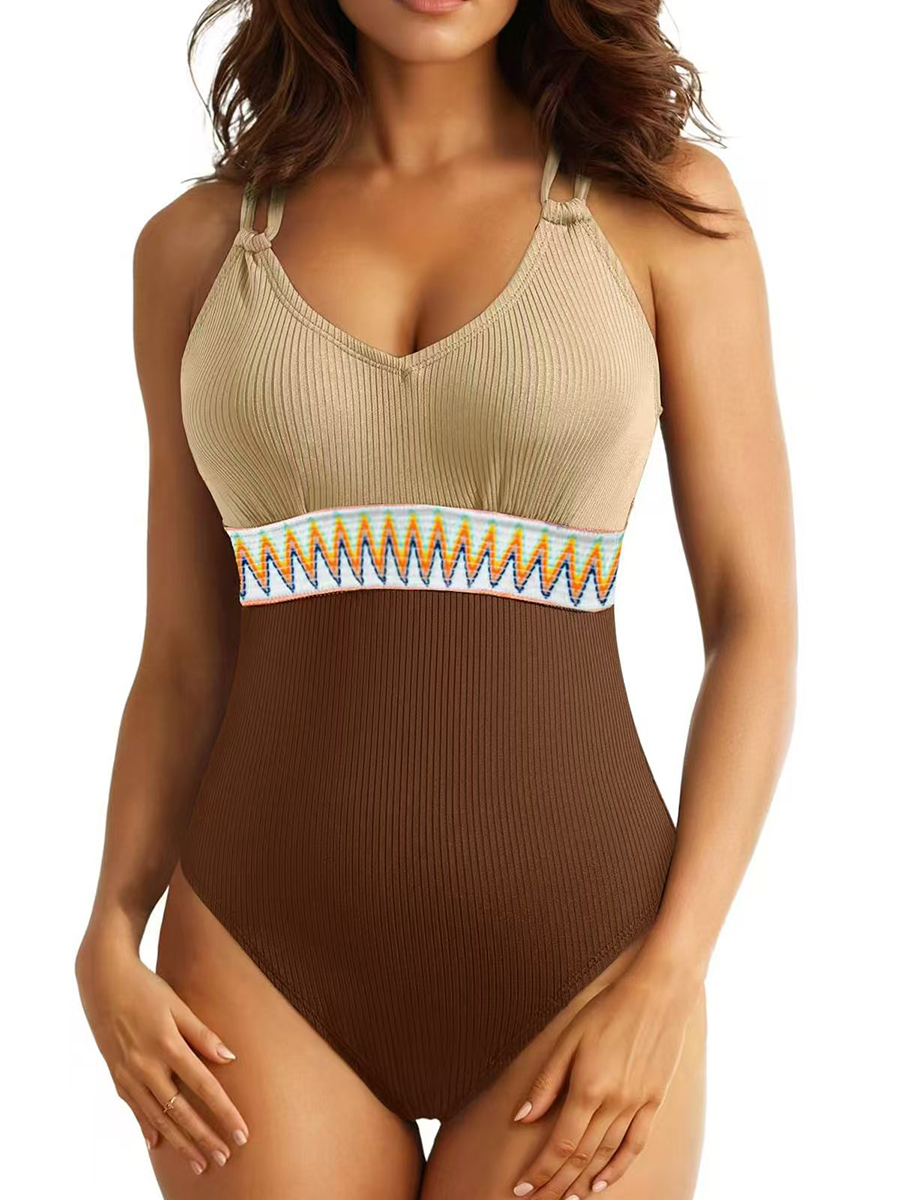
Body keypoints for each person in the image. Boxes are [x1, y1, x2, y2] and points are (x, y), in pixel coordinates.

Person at [75, 1, 797, 1196]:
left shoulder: (662, 210)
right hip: (257, 954)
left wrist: (672, 971)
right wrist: (108, 926)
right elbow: (184, 653)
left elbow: (753, 621)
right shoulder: (196, 250)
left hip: (589, 961)